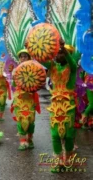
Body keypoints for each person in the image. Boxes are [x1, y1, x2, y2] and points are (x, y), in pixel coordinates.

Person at [42, 39, 77, 172]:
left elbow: (73, 64)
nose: (59, 55)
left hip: (68, 106)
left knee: (68, 134)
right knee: (55, 134)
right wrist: (34, 49)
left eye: (62, 53)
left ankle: (67, 158)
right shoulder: (52, 67)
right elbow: (42, 61)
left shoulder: (72, 69)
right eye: (57, 53)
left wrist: (64, 50)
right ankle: (58, 161)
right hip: (55, 106)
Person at [11, 49, 40, 150]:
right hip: (19, 98)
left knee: (31, 121)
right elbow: (14, 85)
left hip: (30, 97)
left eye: (25, 56)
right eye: (21, 57)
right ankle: (23, 141)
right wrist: (14, 77)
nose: (23, 58)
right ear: (19, 59)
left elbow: (39, 84)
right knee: (21, 119)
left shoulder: (35, 69)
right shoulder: (15, 70)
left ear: (29, 58)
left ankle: (30, 139)